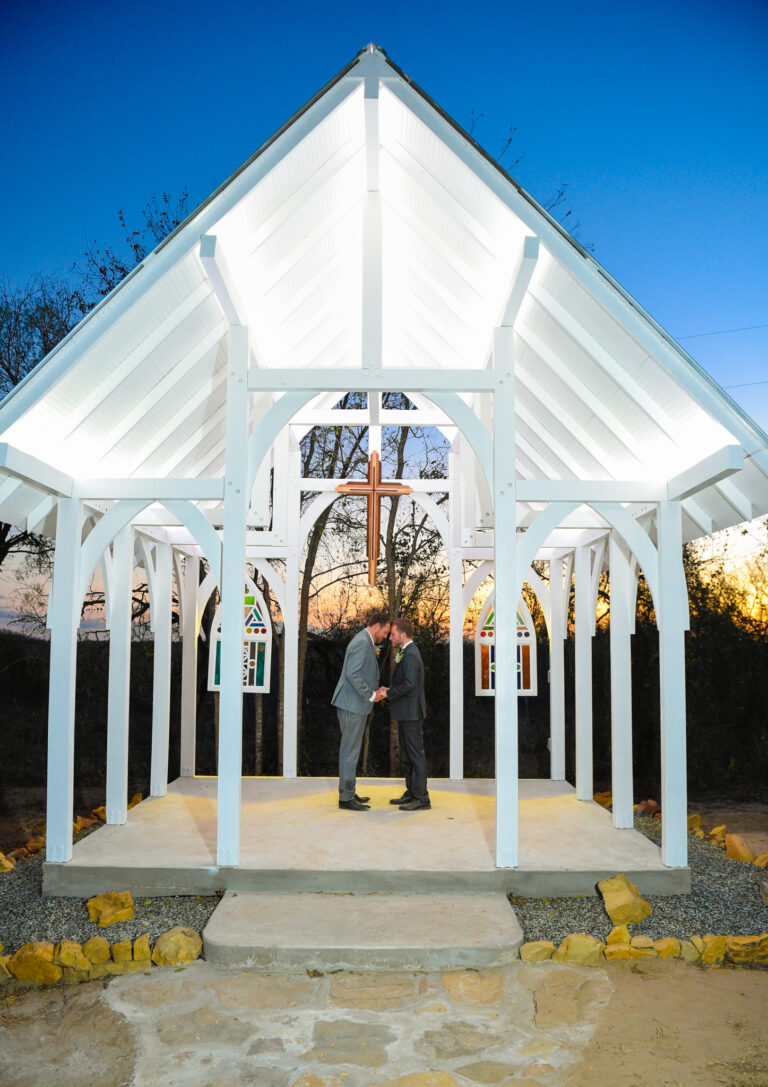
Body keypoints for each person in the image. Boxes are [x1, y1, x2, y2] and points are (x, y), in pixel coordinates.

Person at [331, 609, 391, 810]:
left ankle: (349, 792)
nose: (386, 636)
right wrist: (371, 695)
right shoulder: (362, 643)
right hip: (352, 705)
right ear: (376, 626)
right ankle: (346, 798)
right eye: (385, 632)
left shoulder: (365, 641)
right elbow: (352, 674)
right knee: (350, 751)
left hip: (354, 704)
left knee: (352, 750)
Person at [379, 617, 430, 811]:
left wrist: (389, 693)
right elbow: (405, 682)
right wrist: (389, 688)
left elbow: (410, 684)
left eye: (392, 634)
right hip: (406, 713)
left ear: (403, 634)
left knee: (416, 755)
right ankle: (411, 793)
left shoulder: (410, 655)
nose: (390, 638)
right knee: (407, 756)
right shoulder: (406, 652)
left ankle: (422, 797)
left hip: (412, 713)